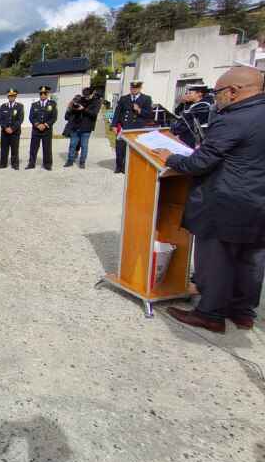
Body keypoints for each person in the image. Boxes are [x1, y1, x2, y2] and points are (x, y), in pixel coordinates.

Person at [152, 66, 265, 333]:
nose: (217, 98)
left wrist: (171, 158)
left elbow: (200, 163)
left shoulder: (234, 119)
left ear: (234, 91)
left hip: (227, 201)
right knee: (251, 259)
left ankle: (210, 313)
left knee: (217, 258)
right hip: (259, 202)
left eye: (218, 92)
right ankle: (242, 312)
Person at [111, 80, 153, 173]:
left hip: (136, 128)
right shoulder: (124, 98)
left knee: (131, 150)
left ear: (140, 88)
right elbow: (117, 112)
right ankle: (119, 166)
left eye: (136, 88)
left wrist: (139, 110)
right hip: (123, 127)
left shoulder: (146, 99)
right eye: (132, 88)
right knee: (119, 148)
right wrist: (113, 125)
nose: (134, 90)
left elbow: (149, 114)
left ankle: (126, 167)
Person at [63, 87, 101, 169]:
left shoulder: (96, 102)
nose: (86, 97)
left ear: (92, 94)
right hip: (75, 126)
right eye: (85, 95)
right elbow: (72, 111)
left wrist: (83, 109)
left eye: (88, 96)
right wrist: (72, 106)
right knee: (72, 144)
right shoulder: (80, 99)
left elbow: (94, 114)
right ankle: (70, 160)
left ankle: (82, 162)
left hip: (86, 127)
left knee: (84, 146)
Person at [171, 83, 214, 148]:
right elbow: (177, 112)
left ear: (199, 93)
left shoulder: (204, 105)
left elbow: (188, 122)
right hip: (186, 136)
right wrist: (183, 103)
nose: (187, 95)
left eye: (190, 93)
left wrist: (173, 132)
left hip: (195, 139)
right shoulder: (191, 103)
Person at [26, 85, 58, 170]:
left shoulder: (52, 104)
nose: (43, 95)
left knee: (47, 148)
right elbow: (31, 117)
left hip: (47, 130)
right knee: (33, 148)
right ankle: (31, 163)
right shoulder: (34, 104)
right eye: (41, 93)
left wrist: (45, 125)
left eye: (44, 93)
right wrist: (37, 125)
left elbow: (54, 117)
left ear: (47, 94)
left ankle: (47, 164)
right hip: (36, 130)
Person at [0, 88, 23, 170]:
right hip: (5, 132)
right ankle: (3, 164)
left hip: (15, 132)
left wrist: (12, 128)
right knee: (4, 149)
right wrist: (5, 128)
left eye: (13, 96)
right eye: (10, 96)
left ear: (15, 96)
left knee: (15, 148)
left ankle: (15, 164)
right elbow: (0, 119)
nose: (11, 97)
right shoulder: (3, 106)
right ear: (7, 97)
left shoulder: (19, 106)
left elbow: (20, 119)